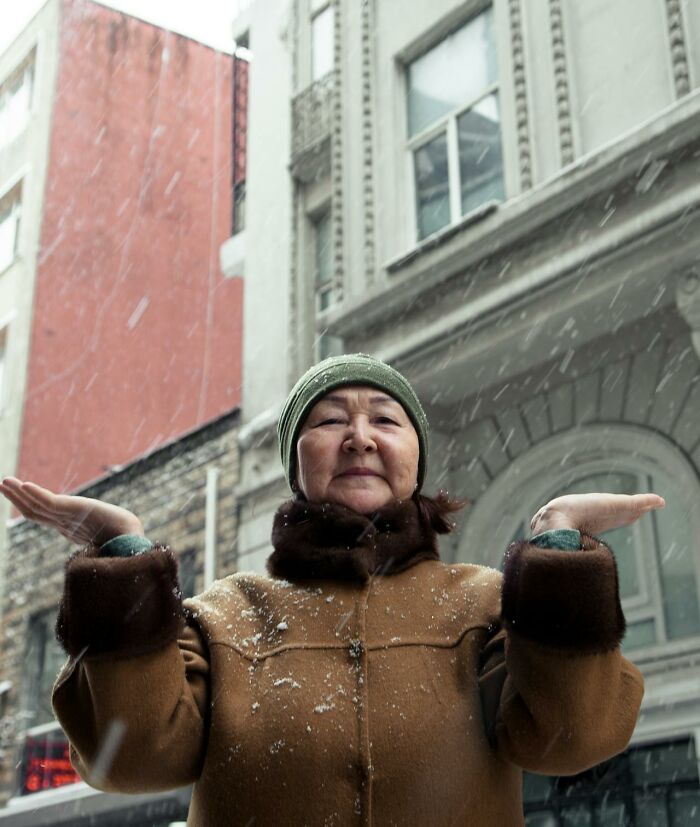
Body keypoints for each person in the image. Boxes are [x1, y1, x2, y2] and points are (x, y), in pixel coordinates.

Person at [0, 353, 662, 826]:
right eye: (328, 421)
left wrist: (558, 549)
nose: (360, 437)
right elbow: (132, 760)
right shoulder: (223, 613)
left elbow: (571, 737)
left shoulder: (485, 601)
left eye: (386, 418)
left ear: (415, 461)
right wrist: (123, 557)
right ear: (297, 466)